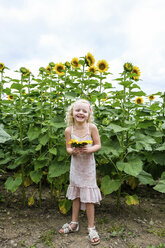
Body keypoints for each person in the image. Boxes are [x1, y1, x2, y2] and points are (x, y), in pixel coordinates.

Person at [59, 99, 102, 245]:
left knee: (89, 197)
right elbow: (68, 148)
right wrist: (73, 151)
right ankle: (74, 223)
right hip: (76, 167)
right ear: (72, 113)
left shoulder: (92, 128)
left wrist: (89, 149)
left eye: (84, 111)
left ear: (88, 114)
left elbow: (98, 145)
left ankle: (91, 227)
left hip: (88, 167)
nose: (81, 113)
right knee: (76, 195)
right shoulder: (68, 130)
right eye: (78, 110)